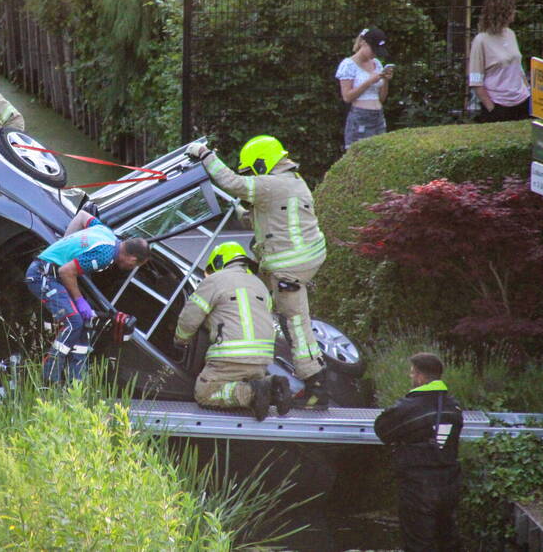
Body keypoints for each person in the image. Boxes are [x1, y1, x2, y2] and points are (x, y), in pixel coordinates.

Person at [186, 135, 329, 408]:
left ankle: (316, 386)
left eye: (252, 170)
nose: (252, 176)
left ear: (262, 164)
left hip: (288, 268)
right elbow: (264, 217)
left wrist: (205, 155)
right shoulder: (290, 182)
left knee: (294, 323)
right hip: (297, 264)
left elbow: (233, 183)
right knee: (279, 312)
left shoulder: (272, 184)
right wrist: (238, 209)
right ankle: (310, 380)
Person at [24, 209, 150, 383]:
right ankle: (49, 376)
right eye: (135, 264)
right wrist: (79, 300)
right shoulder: (104, 255)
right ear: (132, 257)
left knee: (85, 323)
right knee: (74, 321)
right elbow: (66, 271)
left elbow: (82, 215)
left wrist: (63, 244)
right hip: (41, 276)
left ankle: (75, 380)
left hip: (50, 273)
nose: (132, 268)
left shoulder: (107, 234)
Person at [174, 242, 292, 421]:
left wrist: (180, 340)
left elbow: (190, 317)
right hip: (262, 358)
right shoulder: (259, 285)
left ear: (219, 262)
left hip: (229, 356)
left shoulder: (215, 280)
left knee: (205, 392)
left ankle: (251, 393)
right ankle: (271, 387)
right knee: (246, 384)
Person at [374, 352, 464, 552]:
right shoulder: (453, 405)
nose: (411, 377)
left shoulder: (410, 407)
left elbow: (382, 429)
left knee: (418, 544)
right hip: (450, 483)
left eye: (412, 373)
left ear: (420, 377)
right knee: (448, 540)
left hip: (418, 486)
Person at [468, 0, 531, 123]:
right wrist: (491, 108)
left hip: (522, 101)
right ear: (503, 13)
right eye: (512, 9)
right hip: (499, 106)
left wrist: (527, 90)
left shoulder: (511, 34)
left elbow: (518, 67)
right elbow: (475, 80)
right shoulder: (481, 41)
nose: (515, 12)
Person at [335, 27, 394, 150]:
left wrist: (386, 80)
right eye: (373, 50)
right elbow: (347, 97)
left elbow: (381, 98)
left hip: (378, 116)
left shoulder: (376, 63)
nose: (374, 54)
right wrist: (369, 81)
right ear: (364, 43)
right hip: (360, 117)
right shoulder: (348, 65)